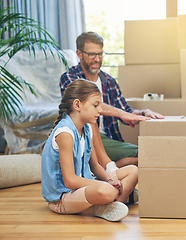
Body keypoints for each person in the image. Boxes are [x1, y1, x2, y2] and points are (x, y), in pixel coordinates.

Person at [60, 32, 164, 173]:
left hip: (108, 138)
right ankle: (107, 167)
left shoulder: (109, 81)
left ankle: (108, 167)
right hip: (83, 137)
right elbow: (88, 105)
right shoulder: (70, 78)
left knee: (147, 156)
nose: (97, 59)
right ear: (79, 53)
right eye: (92, 54)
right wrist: (122, 113)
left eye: (100, 54)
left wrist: (144, 113)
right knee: (145, 157)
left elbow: (127, 112)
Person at [41, 79, 138, 222]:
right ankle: (114, 200)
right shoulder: (65, 133)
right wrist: (106, 185)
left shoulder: (88, 128)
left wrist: (110, 180)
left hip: (84, 185)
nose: (100, 110)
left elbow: (95, 166)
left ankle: (109, 205)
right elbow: (70, 181)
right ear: (77, 104)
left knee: (133, 171)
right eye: (95, 105)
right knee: (106, 190)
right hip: (63, 198)